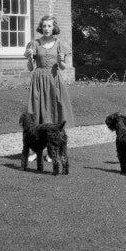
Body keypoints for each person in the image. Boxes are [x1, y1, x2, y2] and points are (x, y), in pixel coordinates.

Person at [24, 15, 74, 160]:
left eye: (49, 26)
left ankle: (53, 151)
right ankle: (35, 151)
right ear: (41, 27)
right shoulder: (34, 43)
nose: (46, 28)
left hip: (54, 80)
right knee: (37, 111)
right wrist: (29, 58)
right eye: (44, 26)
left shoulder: (60, 44)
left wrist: (61, 60)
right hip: (38, 80)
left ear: (54, 28)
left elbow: (63, 67)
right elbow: (29, 68)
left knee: (54, 112)